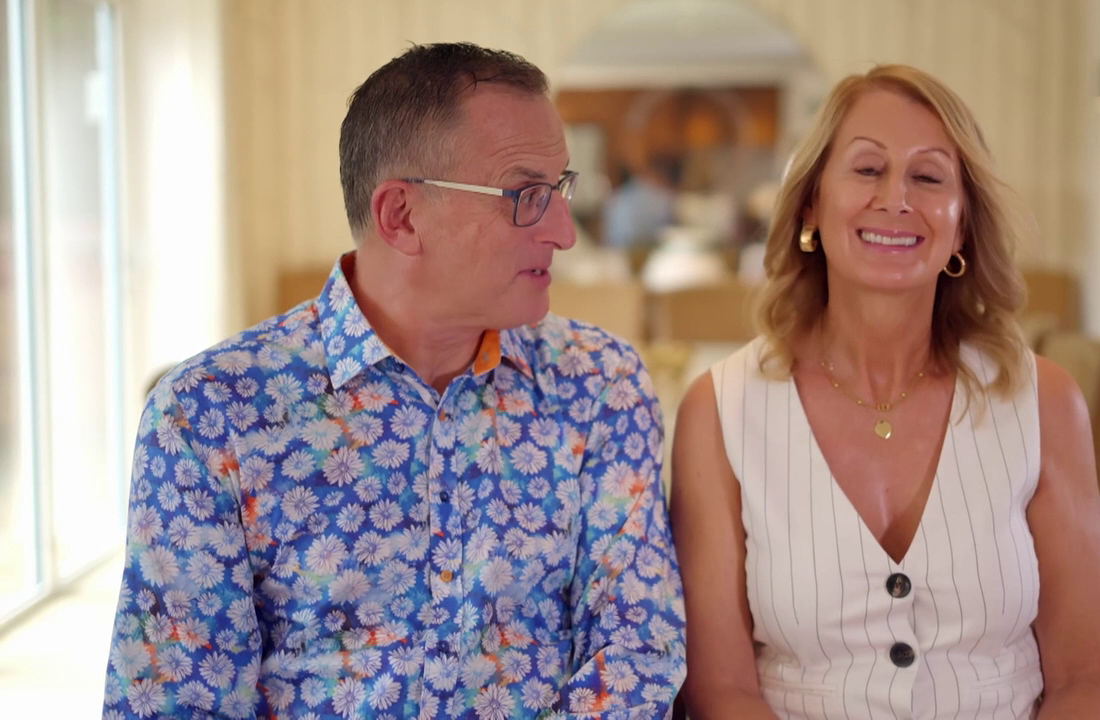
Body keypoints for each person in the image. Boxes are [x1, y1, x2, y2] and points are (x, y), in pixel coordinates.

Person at [103, 42, 686, 719]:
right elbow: (172, 700)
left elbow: (638, 651)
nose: (564, 231)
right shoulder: (209, 415)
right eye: (528, 195)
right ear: (401, 216)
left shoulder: (600, 386)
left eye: (560, 189)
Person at [670, 65, 1100, 719]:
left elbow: (1091, 676)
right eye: (867, 169)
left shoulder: (1045, 402)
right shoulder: (719, 411)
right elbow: (721, 690)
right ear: (810, 205)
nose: (896, 198)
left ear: (962, 225)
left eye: (929, 177)